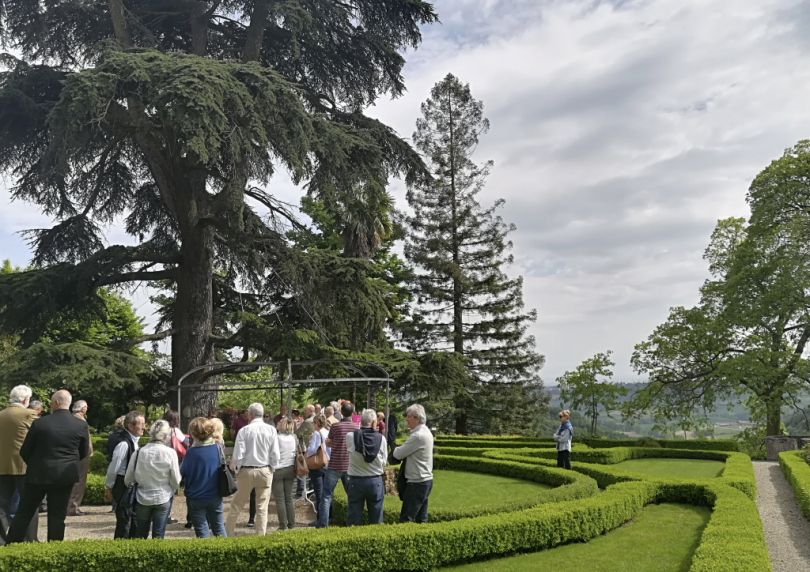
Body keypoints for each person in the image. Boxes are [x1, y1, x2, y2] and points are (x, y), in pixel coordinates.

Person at [6, 390, 89, 543]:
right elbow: (83, 452)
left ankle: (12, 545)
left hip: (38, 474)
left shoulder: (40, 423)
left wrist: (35, 464)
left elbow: (25, 451)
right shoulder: (80, 425)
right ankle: (54, 549)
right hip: (64, 475)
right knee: (57, 516)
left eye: (50, 403)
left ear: (56, 403)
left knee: (24, 513)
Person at [225, 403, 279, 537]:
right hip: (265, 470)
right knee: (262, 508)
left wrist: (236, 470)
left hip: (246, 471)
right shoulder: (271, 430)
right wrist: (272, 468)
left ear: (250, 414)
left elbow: (238, 454)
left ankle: (228, 536)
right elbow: (275, 453)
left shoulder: (244, 430)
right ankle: (260, 538)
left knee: (236, 506)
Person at [125, 420, 181, 539]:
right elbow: (176, 481)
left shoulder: (138, 452)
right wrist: (172, 488)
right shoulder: (170, 453)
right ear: (165, 436)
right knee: (158, 535)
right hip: (163, 495)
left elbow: (128, 479)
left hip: (142, 497)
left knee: (141, 534)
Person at [0, 385, 39, 543]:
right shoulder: (29, 414)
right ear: (25, 399)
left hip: (2, 466)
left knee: (2, 505)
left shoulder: (1, 414)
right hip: (24, 465)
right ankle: (29, 539)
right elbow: (39, 436)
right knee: (30, 502)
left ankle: (2, 540)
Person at [315, 402, 360, 528]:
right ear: (352, 413)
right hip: (349, 466)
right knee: (351, 496)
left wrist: (332, 442)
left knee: (326, 496)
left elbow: (328, 443)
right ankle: (352, 524)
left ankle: (322, 524)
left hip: (334, 465)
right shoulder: (356, 427)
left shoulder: (335, 426)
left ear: (341, 412)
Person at [181, 417, 226, 538]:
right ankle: (225, 550)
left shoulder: (191, 452)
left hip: (195, 497)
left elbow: (182, 473)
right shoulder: (217, 448)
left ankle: (205, 550)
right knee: (219, 527)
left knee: (201, 530)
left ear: (193, 433)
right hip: (214, 495)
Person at [106, 410, 145, 539]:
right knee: (124, 521)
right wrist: (109, 486)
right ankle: (120, 546)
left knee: (133, 519)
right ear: (130, 426)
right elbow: (114, 467)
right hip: (122, 484)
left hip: (130, 483)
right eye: (141, 424)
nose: (144, 427)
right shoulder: (124, 443)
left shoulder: (133, 440)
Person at [345, 409, 387, 526]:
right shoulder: (381, 438)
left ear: (360, 421)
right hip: (375, 481)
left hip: (356, 481)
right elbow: (384, 462)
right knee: (376, 520)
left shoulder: (350, 436)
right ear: (374, 423)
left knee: (353, 520)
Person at [393, 404, 434, 523]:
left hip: (417, 483)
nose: (406, 419)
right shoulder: (426, 431)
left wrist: (399, 450)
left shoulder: (418, 436)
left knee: (405, 519)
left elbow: (397, 453)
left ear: (418, 418)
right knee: (421, 519)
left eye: (409, 416)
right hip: (425, 480)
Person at [67, 400, 93, 517]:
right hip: (81, 455)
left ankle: (70, 506)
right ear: (83, 409)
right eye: (86, 407)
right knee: (79, 482)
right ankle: (73, 508)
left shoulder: (70, 418)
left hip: (73, 454)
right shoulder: (80, 420)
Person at [272, 417, 298, 531]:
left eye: (279, 422)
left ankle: (282, 526)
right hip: (290, 468)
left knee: (280, 499)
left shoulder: (276, 438)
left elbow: (272, 454)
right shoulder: (294, 437)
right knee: (289, 497)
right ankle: (292, 524)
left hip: (278, 469)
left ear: (282, 425)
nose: (277, 423)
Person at [306, 413, 331, 526]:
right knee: (327, 492)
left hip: (318, 465)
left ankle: (320, 519)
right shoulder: (328, 432)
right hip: (328, 464)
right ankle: (329, 516)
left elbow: (312, 450)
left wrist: (310, 442)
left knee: (319, 492)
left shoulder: (317, 433)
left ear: (316, 423)